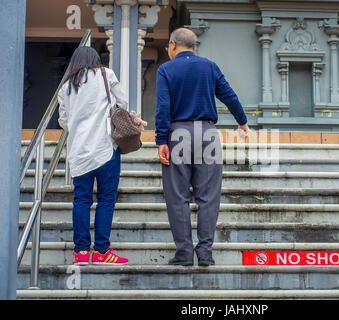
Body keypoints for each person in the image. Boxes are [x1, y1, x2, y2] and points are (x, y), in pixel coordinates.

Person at [155, 28, 249, 266]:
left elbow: (163, 108)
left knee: (177, 197)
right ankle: (205, 253)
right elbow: (229, 95)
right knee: (208, 197)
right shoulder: (209, 66)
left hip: (178, 134)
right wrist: (243, 122)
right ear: (194, 46)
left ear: (173, 44)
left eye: (169, 47)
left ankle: (185, 253)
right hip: (208, 134)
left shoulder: (166, 69)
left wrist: (161, 141)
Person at [58, 46, 145, 265]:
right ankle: (102, 251)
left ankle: (81, 252)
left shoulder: (66, 87)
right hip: (105, 149)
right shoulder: (106, 74)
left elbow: (64, 121)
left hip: (79, 152)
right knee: (106, 200)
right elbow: (123, 103)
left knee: (81, 200)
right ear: (96, 59)